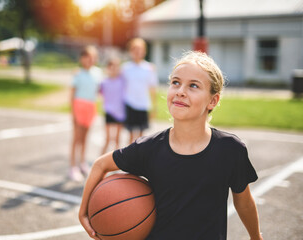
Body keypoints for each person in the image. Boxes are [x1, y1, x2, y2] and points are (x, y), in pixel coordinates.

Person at [79, 51, 263, 240]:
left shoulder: (230, 150)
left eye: (193, 85)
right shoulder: (150, 148)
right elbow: (101, 165)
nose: (180, 91)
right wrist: (83, 212)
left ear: (212, 101)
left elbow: (244, 202)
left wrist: (256, 237)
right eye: (175, 82)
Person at [69, 46, 103, 182]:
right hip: (79, 106)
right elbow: (72, 94)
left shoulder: (98, 73)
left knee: (85, 137)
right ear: (82, 59)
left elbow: (101, 89)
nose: (90, 60)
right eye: (87, 57)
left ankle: (82, 163)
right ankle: (73, 167)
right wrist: (73, 112)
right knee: (76, 138)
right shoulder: (77, 74)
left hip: (91, 107)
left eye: (93, 57)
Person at [121, 38, 158, 143]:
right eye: (135, 49)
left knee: (141, 137)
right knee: (130, 134)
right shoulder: (125, 68)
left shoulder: (149, 68)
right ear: (130, 51)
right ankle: (129, 158)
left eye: (140, 49)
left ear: (144, 51)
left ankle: (138, 159)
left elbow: (152, 88)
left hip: (143, 104)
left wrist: (154, 106)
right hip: (129, 103)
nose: (137, 52)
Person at [100, 57, 126, 154]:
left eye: (116, 67)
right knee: (107, 139)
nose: (114, 69)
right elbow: (98, 93)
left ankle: (115, 164)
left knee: (117, 140)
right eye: (112, 67)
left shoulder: (122, 80)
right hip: (109, 112)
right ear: (108, 68)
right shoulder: (104, 82)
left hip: (120, 113)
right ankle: (100, 161)